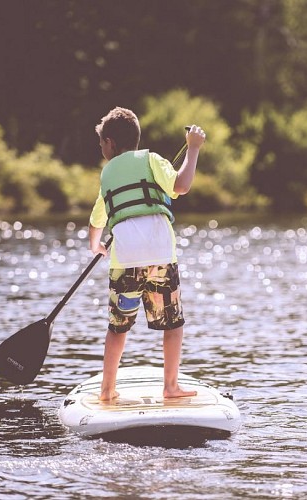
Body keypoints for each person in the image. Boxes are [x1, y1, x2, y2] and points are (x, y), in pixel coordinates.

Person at [87, 107, 205, 401]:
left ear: (111, 143)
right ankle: (170, 387)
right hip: (160, 256)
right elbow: (182, 185)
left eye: (102, 143)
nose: (101, 148)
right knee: (173, 324)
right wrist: (193, 150)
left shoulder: (107, 173)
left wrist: (95, 245)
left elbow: (97, 219)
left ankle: (107, 390)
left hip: (124, 259)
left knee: (118, 328)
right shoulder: (152, 160)